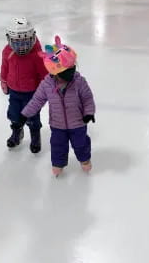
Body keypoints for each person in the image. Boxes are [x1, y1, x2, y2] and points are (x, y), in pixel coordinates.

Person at [20, 36, 96, 177]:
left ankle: (85, 160)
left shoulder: (79, 82)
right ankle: (58, 164)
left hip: (78, 123)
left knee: (81, 143)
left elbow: (87, 98)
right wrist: (24, 114)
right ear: (55, 72)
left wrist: (89, 113)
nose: (72, 72)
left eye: (72, 68)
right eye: (67, 71)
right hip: (57, 125)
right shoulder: (47, 85)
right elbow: (37, 100)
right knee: (57, 146)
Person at [0, 18, 48, 153]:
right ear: (10, 39)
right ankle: (17, 133)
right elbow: (4, 67)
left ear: (32, 38)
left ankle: (35, 137)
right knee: (14, 114)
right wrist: (3, 80)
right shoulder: (7, 52)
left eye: (25, 41)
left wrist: (45, 90)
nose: (21, 46)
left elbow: (44, 73)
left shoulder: (37, 54)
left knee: (33, 116)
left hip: (32, 93)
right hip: (14, 91)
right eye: (17, 42)